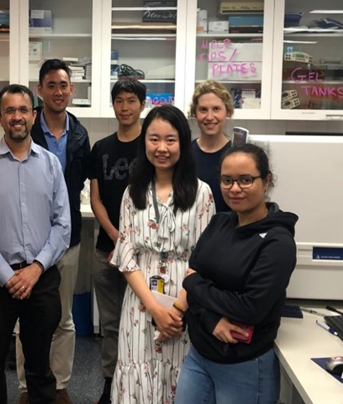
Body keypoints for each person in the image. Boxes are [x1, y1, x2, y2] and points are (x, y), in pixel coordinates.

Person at [0, 84, 71, 404]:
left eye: (23, 110)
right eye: (10, 111)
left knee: (40, 365)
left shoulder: (51, 164)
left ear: (34, 115)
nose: (17, 117)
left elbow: (63, 225)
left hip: (40, 281)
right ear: (0, 118)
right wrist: (6, 274)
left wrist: (35, 269)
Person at [176, 143, 298, 404]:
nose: (234, 189)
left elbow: (249, 309)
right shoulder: (220, 222)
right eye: (227, 180)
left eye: (245, 180)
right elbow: (193, 278)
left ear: (266, 181)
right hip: (199, 354)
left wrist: (194, 283)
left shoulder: (277, 242)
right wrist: (211, 320)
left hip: (244, 365)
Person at [110, 104, 215, 404]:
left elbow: (203, 259)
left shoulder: (202, 194)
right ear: (144, 142)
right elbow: (127, 256)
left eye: (170, 140)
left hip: (184, 304)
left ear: (183, 142)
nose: (162, 148)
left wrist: (176, 311)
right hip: (140, 303)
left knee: (181, 379)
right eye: (154, 139)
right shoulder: (132, 193)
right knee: (137, 379)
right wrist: (155, 308)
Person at [17, 59, 90, 404]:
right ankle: (25, 386)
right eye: (51, 85)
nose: (58, 92)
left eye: (64, 85)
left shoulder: (79, 134)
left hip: (68, 238)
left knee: (63, 318)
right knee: (27, 320)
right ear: (40, 90)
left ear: (71, 90)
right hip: (30, 240)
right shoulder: (26, 129)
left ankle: (59, 383)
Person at [87, 79, 145, 404]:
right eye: (119, 101)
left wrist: (131, 242)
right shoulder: (102, 148)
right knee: (110, 325)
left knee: (138, 324)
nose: (125, 107)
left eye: (131, 101)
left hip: (141, 255)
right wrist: (114, 236)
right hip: (105, 251)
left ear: (141, 105)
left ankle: (135, 387)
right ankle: (110, 387)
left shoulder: (150, 147)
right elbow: (96, 200)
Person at [188, 80, 235, 212]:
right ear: (194, 114)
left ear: (228, 112)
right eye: (203, 110)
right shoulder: (185, 155)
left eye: (216, 109)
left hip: (229, 230)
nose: (209, 117)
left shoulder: (237, 155)